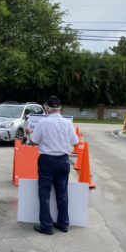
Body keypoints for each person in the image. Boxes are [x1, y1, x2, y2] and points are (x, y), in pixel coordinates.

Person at [27, 96, 79, 235]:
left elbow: (34, 141)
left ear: (47, 108)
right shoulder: (67, 123)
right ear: (60, 108)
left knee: (44, 194)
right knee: (62, 194)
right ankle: (63, 223)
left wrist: (30, 135)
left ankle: (47, 226)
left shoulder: (43, 123)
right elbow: (75, 142)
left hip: (47, 160)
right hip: (63, 160)